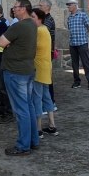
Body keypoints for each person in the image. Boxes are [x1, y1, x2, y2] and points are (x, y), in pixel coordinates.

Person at [0, 0, 39, 155]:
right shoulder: (32, 25)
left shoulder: (19, 26)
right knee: (28, 106)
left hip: (16, 72)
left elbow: (0, 42)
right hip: (27, 70)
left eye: (15, 7)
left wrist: (8, 43)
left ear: (23, 8)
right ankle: (33, 141)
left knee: (21, 110)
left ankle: (23, 146)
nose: (13, 9)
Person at [30, 8, 57, 136]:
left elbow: (34, 48)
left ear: (39, 19)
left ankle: (38, 128)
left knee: (37, 97)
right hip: (46, 67)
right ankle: (52, 125)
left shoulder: (39, 30)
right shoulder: (45, 29)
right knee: (46, 96)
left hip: (39, 67)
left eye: (33, 17)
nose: (31, 19)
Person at [65, 0, 89, 90]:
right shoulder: (69, 18)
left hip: (82, 43)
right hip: (73, 43)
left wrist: (85, 36)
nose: (68, 7)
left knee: (86, 63)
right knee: (74, 64)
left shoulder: (82, 15)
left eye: (70, 5)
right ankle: (77, 82)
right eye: (68, 5)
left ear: (75, 5)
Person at [37, 0, 57, 106]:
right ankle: (47, 102)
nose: (38, 7)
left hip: (46, 53)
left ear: (47, 7)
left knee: (46, 78)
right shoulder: (44, 19)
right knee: (43, 78)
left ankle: (51, 103)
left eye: (41, 6)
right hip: (44, 53)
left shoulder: (48, 20)